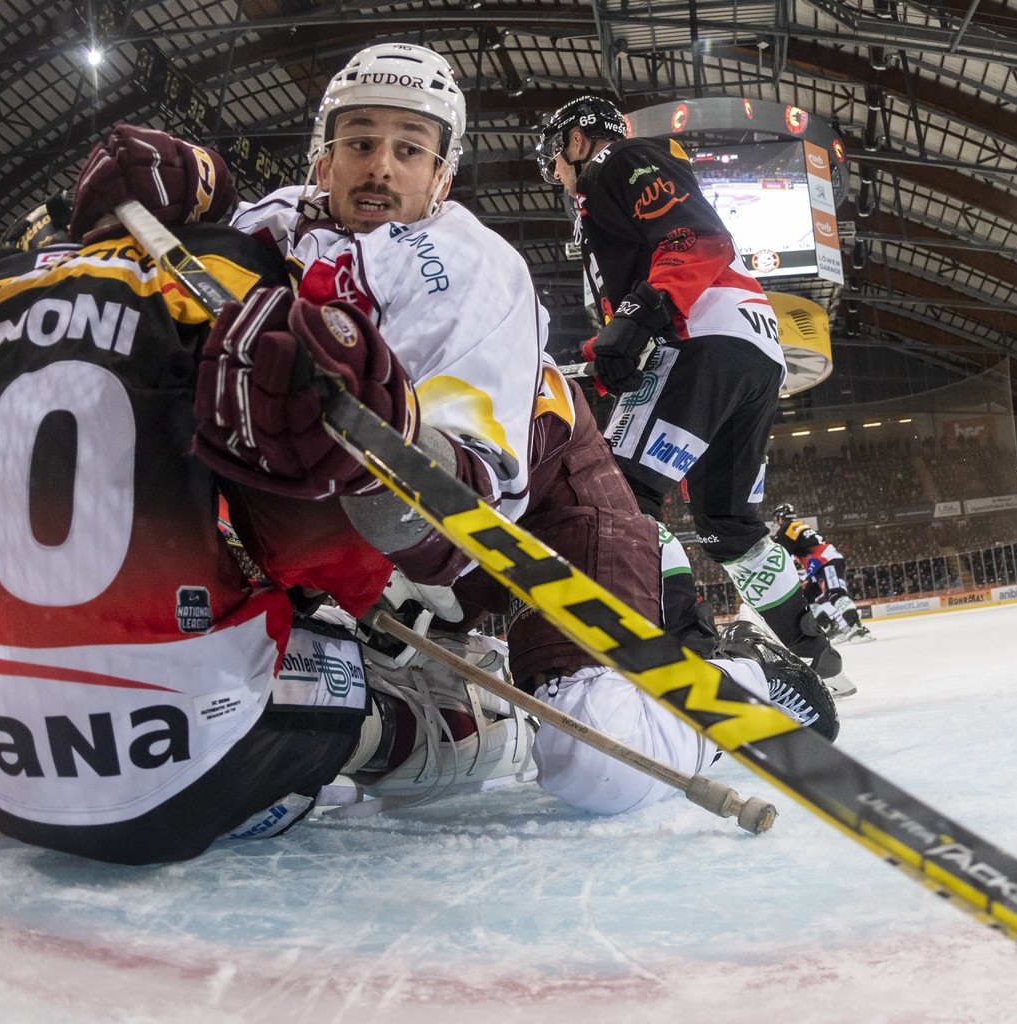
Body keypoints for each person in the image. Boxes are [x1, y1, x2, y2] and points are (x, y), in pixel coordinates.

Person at [68, 43, 837, 820]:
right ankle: (451, 688)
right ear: (323, 154)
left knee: (598, 764)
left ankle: (738, 676)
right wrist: (189, 185)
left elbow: (462, 522)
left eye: (410, 148)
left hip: (545, 515)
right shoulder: (275, 223)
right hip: (372, 554)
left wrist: (378, 446)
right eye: (360, 142)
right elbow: (174, 269)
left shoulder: (474, 272)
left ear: (442, 173)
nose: (380, 168)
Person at [0, 135, 531, 866]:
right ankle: (424, 733)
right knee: (344, 656)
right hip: (173, 774)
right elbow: (304, 539)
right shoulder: (224, 274)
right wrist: (372, 597)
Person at [536, 95, 857, 699]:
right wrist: (607, 350)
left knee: (625, 494)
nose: (554, 171)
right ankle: (815, 653)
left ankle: (691, 651)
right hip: (752, 348)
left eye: (555, 154)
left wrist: (640, 315)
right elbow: (637, 313)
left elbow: (700, 240)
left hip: (700, 334)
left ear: (578, 141)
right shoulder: (610, 190)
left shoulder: (621, 160)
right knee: (726, 523)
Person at [774, 504, 872, 643]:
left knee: (835, 594)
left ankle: (857, 628)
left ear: (780, 518)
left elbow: (780, 555)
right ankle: (833, 630)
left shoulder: (786, 529)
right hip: (817, 565)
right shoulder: (798, 525)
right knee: (806, 597)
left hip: (825, 561)